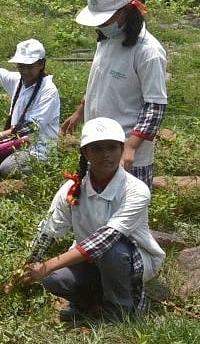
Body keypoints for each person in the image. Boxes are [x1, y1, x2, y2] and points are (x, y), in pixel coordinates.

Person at [18, 117, 165, 323]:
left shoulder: (136, 190)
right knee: (54, 279)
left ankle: (120, 309)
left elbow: (106, 239)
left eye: (112, 148)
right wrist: (27, 266)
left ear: (122, 149)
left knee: (112, 252)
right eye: (96, 149)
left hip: (129, 258)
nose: (106, 155)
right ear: (85, 153)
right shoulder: (72, 188)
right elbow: (49, 231)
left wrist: (47, 265)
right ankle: (91, 302)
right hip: (89, 259)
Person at [59, 0, 167, 188]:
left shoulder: (148, 51)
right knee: (96, 207)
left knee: (128, 212)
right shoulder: (107, 40)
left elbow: (155, 106)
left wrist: (131, 147)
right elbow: (100, 83)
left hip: (125, 152)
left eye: (104, 19)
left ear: (126, 11)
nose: (100, 25)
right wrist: (80, 112)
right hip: (97, 143)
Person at [0, 39, 60, 177]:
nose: (25, 71)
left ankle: (44, 169)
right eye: (21, 67)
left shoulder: (48, 90)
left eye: (30, 67)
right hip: (17, 140)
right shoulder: (18, 80)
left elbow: (31, 126)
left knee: (7, 167)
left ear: (41, 64)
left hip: (38, 146)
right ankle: (9, 167)